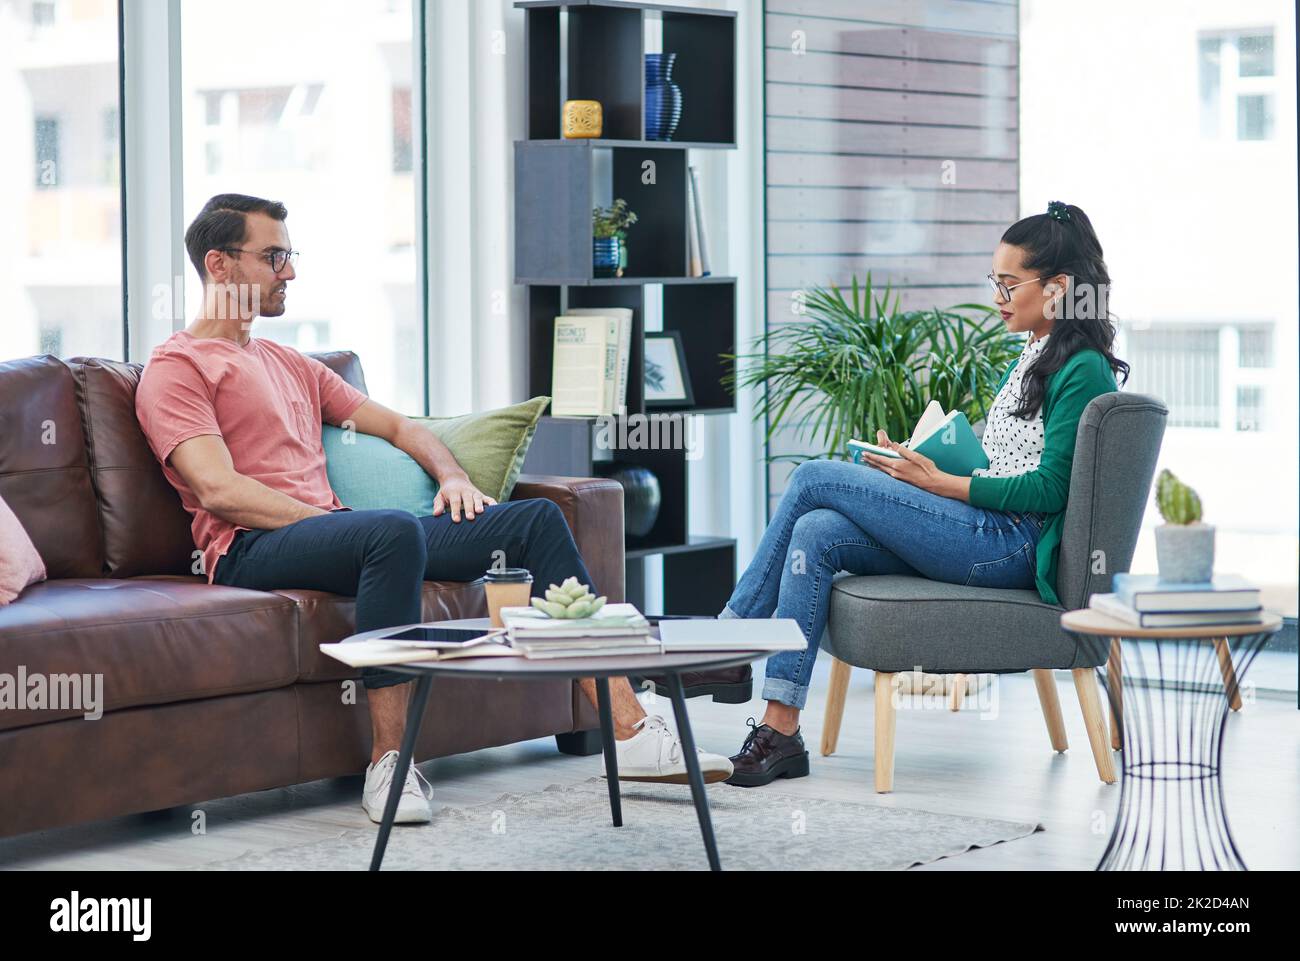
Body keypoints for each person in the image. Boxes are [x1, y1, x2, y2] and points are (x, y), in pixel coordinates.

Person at [135, 193, 732, 824]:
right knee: (388, 533)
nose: (290, 271)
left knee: (532, 520)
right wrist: (334, 524)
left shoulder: (290, 363)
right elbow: (219, 490)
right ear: (219, 266)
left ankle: (629, 730)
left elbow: (399, 427)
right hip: (249, 548)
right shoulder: (178, 368)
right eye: (274, 256)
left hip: (340, 535)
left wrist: (451, 476)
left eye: (291, 255)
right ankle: (391, 764)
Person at [723, 201, 1131, 787]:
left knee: (814, 477)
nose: (998, 295)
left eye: (1009, 283)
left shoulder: (1082, 367)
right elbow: (1005, 463)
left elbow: (1049, 488)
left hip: (1010, 545)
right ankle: (780, 729)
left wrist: (937, 484)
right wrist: (926, 462)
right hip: (980, 526)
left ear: (1059, 288)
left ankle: (731, 642)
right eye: (996, 281)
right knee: (816, 532)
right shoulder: (1035, 353)